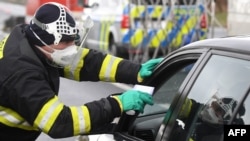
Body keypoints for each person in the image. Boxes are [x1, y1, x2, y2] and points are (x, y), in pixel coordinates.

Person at [0, 2, 163, 141]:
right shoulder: (21, 73)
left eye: (73, 41)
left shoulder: (34, 40)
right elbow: (59, 122)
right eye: (66, 42)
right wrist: (116, 104)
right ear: (45, 40)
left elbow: (87, 63)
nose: (72, 48)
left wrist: (136, 71)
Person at [175, 95, 245, 141]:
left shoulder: (219, 136)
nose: (210, 107)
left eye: (215, 107)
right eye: (212, 103)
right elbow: (185, 105)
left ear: (224, 118)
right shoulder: (200, 114)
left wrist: (177, 135)